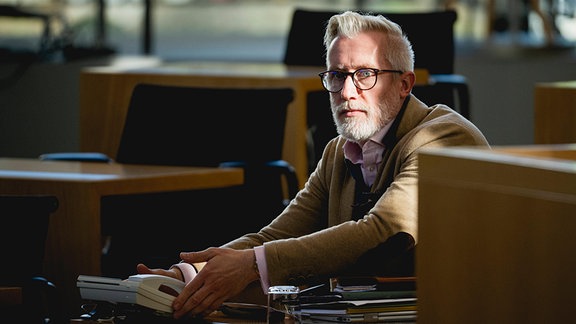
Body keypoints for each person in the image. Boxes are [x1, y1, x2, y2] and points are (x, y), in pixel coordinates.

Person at [136, 10, 490, 319]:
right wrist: (185, 275)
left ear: (403, 84)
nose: (347, 91)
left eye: (365, 74)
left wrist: (247, 265)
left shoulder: (443, 138)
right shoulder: (339, 150)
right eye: (337, 76)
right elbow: (275, 236)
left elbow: (381, 232)